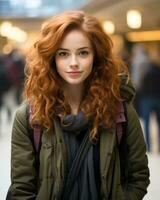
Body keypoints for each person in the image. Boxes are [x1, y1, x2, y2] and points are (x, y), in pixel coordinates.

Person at [10, 10, 150, 200]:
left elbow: (139, 176)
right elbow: (22, 190)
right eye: (63, 54)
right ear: (51, 58)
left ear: (96, 56)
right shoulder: (30, 116)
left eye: (83, 53)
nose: (73, 63)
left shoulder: (120, 111)